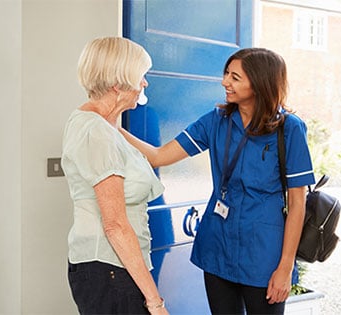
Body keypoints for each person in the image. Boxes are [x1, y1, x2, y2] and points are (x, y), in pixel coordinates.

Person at [120, 47, 315, 314]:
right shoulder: (216, 121)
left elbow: (297, 203)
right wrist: (112, 126)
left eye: (235, 77)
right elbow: (158, 156)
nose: (225, 82)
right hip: (218, 249)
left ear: (259, 83)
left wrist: (285, 266)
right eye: (226, 74)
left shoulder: (289, 129)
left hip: (264, 257)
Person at [61, 37, 168, 315]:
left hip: (112, 268)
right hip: (110, 270)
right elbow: (115, 227)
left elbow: (155, 156)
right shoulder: (97, 132)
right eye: (140, 76)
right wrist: (155, 302)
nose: (144, 84)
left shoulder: (103, 126)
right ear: (118, 83)